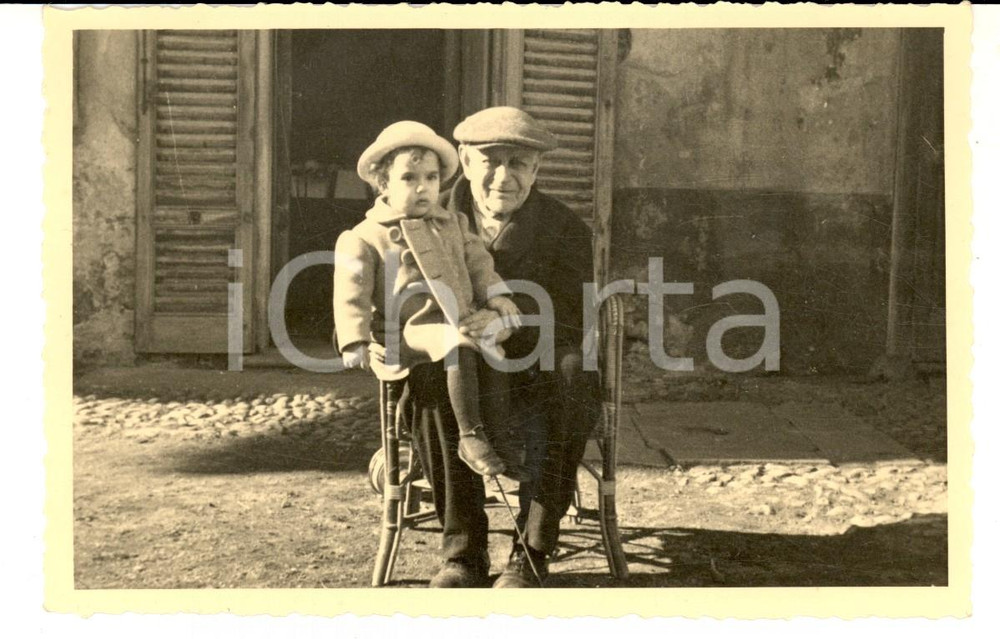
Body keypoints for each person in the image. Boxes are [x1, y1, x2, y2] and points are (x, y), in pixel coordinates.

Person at [398, 107, 602, 588]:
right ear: (466, 162)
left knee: (574, 376)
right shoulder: (423, 214)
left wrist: (507, 322)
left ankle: (532, 551)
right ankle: (463, 553)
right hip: (456, 359)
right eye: (490, 161)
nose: (504, 177)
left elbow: (571, 315)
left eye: (519, 163)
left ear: (536, 169)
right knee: (428, 379)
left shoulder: (565, 227)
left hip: (530, 361)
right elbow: (383, 291)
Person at [333, 121, 522, 478]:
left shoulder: (453, 223)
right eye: (408, 178)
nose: (422, 188)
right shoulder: (366, 236)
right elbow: (351, 293)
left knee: (493, 349)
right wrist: (355, 339)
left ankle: (499, 436)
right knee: (458, 345)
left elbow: (480, 265)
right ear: (383, 183)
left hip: (459, 317)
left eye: (431, 178)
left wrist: (497, 297)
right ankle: (470, 435)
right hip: (412, 329)